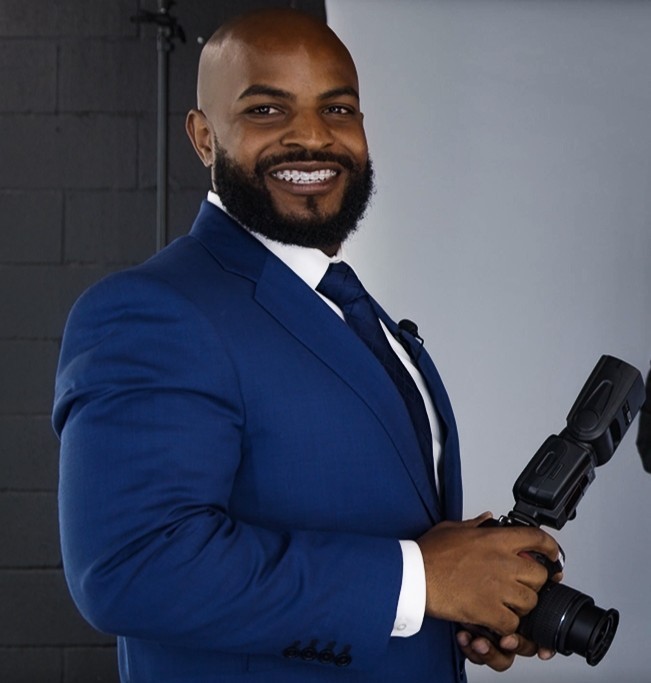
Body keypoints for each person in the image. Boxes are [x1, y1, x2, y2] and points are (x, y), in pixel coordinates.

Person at [53, 8, 561, 682]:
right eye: (267, 109)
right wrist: (419, 580)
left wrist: (478, 585)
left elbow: (386, 531)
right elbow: (133, 566)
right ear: (204, 136)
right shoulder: (153, 311)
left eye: (338, 108)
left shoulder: (350, 307)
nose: (312, 136)